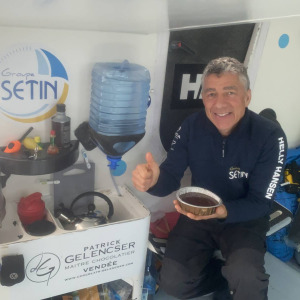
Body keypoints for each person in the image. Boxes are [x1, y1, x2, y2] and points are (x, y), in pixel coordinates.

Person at [132, 57, 287, 300]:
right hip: (199, 214)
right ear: (203, 98)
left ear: (247, 97)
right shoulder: (192, 126)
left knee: (246, 277)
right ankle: (224, 279)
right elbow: (170, 177)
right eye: (211, 93)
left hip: (245, 218)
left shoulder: (270, 135)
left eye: (230, 92)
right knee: (172, 284)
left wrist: (224, 211)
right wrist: (153, 181)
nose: (219, 103)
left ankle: (236, 279)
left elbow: (261, 203)